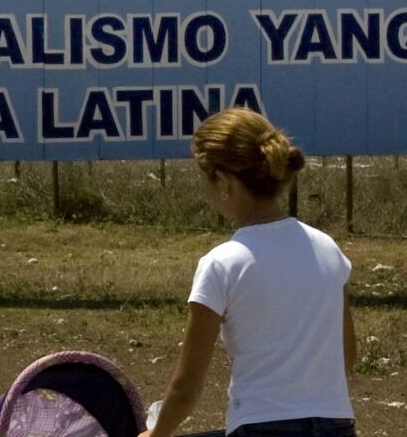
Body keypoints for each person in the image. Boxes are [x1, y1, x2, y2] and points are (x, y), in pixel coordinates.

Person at [138, 108, 356, 437]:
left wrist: (155, 435)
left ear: (224, 182)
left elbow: (186, 390)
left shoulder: (222, 264)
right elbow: (347, 357)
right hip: (337, 427)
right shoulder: (327, 249)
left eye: (205, 180)